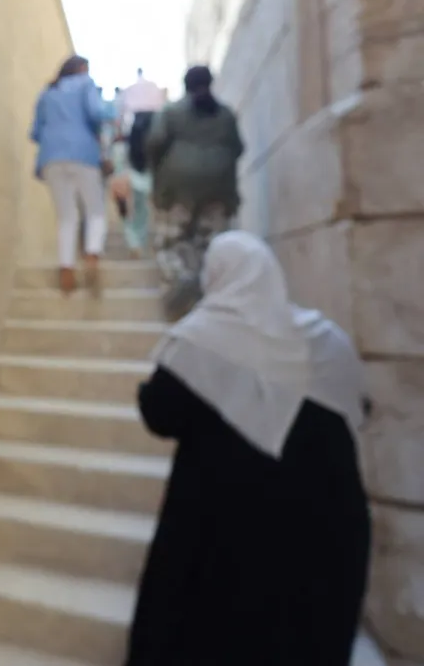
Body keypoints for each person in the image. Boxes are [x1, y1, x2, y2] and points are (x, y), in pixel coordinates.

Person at [125, 231, 370, 666]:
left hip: (223, 526)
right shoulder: (326, 339)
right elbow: (356, 407)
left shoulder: (201, 339)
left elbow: (160, 413)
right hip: (321, 525)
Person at [146, 65, 244, 318]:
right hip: (218, 188)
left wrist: (158, 183)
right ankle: (210, 297)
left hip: (177, 187)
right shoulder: (225, 114)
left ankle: (181, 280)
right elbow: (238, 149)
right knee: (212, 244)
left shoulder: (170, 112)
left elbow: (154, 144)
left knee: (170, 242)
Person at [30, 55, 106, 293]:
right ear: (82, 68)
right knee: (95, 210)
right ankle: (92, 255)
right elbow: (96, 112)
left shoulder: (47, 92)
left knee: (66, 217)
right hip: (83, 153)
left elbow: (35, 132)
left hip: (51, 157)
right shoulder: (86, 83)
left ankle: (66, 271)